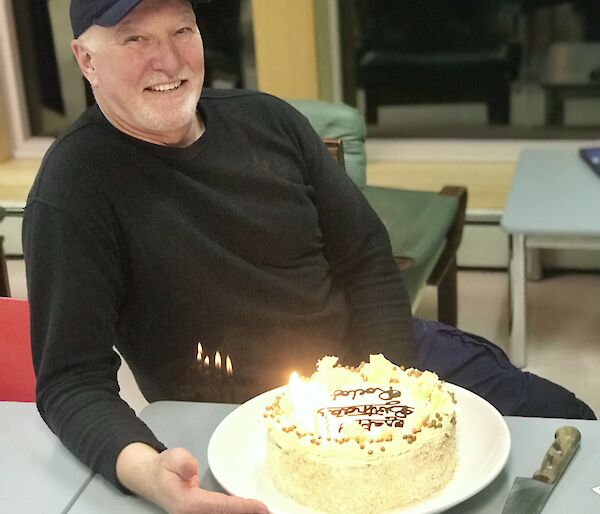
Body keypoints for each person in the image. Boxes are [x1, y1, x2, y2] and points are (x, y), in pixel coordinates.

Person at [23, 0, 595, 513]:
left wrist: (384, 394)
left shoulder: (268, 121)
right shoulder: (73, 190)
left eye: (182, 29)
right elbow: (71, 382)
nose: (169, 60)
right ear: (86, 58)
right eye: (135, 39)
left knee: (568, 425)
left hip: (382, 361)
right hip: (240, 425)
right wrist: (148, 472)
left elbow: (367, 256)